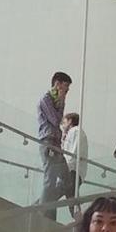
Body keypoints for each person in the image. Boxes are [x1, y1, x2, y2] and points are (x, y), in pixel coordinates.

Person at [37, 71, 73, 220]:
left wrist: (61, 101)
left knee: (66, 178)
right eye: (65, 88)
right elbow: (56, 119)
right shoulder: (46, 99)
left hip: (55, 143)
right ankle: (41, 213)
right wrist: (62, 100)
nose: (67, 91)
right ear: (57, 84)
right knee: (50, 180)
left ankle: (44, 206)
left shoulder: (56, 101)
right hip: (48, 142)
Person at [63, 112, 89, 217]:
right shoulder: (77, 132)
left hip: (73, 168)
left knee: (71, 197)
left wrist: (66, 167)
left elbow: (72, 152)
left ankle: (80, 221)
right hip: (75, 169)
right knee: (71, 195)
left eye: (64, 122)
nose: (63, 126)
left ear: (70, 121)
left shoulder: (74, 131)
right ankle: (79, 220)